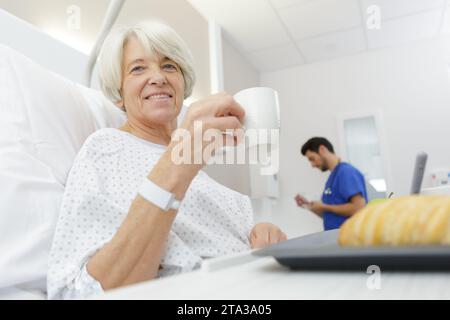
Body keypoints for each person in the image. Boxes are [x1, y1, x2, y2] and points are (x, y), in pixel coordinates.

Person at [47, 20, 286, 299]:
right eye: (138, 68)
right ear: (119, 93)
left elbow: (233, 239)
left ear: (183, 86)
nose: (158, 77)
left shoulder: (199, 169)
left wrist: (262, 235)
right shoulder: (105, 148)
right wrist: (177, 164)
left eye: (169, 66)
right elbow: (79, 293)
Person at [294, 137, 367, 231]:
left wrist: (324, 206)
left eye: (312, 159)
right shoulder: (331, 179)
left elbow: (358, 208)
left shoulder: (346, 172)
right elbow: (330, 216)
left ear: (322, 150)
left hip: (351, 239)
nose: (312, 165)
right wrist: (309, 206)